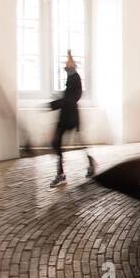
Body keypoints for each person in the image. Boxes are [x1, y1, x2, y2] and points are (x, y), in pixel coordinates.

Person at [48, 50, 95, 187]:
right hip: (65, 117)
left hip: (71, 118)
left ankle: (90, 163)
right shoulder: (71, 79)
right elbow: (68, 98)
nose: (66, 69)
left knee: (78, 143)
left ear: (72, 68)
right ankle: (60, 173)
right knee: (57, 143)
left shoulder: (76, 79)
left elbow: (71, 99)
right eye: (66, 67)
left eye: (68, 67)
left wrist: (53, 104)